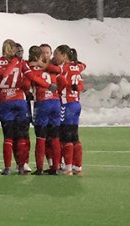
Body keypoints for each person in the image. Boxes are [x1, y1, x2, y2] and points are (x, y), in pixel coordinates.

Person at [0, 40, 33, 174]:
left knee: (8, 136)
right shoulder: (21, 62)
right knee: (22, 135)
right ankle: (21, 166)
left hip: (5, 101)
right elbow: (30, 78)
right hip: (19, 100)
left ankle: (7, 168)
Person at [27, 45, 62, 174]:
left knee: (41, 137)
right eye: (43, 52)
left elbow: (28, 82)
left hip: (43, 103)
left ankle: (40, 168)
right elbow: (58, 71)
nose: (46, 55)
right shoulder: (53, 67)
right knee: (54, 137)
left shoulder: (32, 67)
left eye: (48, 52)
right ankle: (55, 168)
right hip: (55, 103)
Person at [55, 45, 87, 175]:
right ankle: (77, 167)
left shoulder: (62, 68)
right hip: (76, 104)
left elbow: (59, 80)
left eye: (56, 54)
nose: (54, 57)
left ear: (64, 55)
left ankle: (67, 167)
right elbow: (81, 84)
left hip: (66, 104)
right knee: (74, 136)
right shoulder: (77, 67)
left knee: (65, 136)